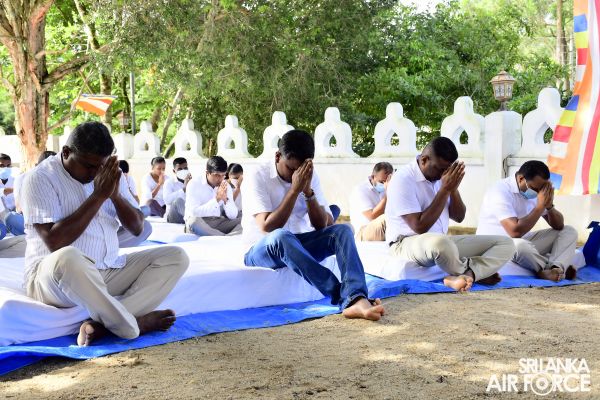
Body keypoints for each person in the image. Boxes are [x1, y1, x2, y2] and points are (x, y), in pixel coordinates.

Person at [21, 122, 189, 346]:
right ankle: (133, 326)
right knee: (68, 256)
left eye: (100, 166)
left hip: (106, 269)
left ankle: (103, 325)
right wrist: (98, 196)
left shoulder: (108, 174)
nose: (95, 173)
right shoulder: (41, 178)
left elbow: (138, 228)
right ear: (66, 152)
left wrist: (115, 194)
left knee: (175, 256)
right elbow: (55, 242)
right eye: (89, 166)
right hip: (52, 278)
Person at [242, 129, 385, 320]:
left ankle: (356, 296)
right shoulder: (257, 175)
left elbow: (322, 225)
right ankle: (346, 297)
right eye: (291, 169)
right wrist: (294, 191)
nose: (296, 175)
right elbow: (267, 226)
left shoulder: (309, 175)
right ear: (278, 156)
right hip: (262, 249)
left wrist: (308, 192)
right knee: (281, 236)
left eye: (301, 170)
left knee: (342, 230)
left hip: (298, 244)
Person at [386, 137, 515, 292]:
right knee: (440, 244)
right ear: (424, 160)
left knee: (506, 244)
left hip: (443, 244)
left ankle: (470, 274)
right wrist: (445, 189)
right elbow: (419, 226)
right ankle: (474, 272)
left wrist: (453, 189)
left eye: (447, 170)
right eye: (440, 169)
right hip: (406, 243)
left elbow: (459, 217)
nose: (443, 174)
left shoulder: (443, 179)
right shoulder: (403, 179)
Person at [477, 160, 578, 281]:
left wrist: (549, 206)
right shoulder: (499, 191)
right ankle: (549, 269)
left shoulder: (537, 191)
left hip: (523, 242)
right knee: (519, 245)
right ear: (521, 179)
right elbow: (514, 232)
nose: (538, 193)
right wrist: (540, 207)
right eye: (535, 189)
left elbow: (559, 226)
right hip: (496, 245)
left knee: (568, 231)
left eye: (541, 190)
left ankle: (555, 268)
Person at [185, 156, 241, 236]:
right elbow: (194, 213)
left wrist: (226, 200)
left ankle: (222, 236)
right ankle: (225, 237)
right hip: (200, 222)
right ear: (207, 173)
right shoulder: (194, 184)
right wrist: (217, 199)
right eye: (217, 175)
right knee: (193, 222)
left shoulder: (225, 185)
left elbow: (233, 216)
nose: (220, 179)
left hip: (218, 222)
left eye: (223, 175)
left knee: (245, 219)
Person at [350, 162, 393, 241]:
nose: (384, 185)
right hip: (363, 232)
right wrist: (388, 194)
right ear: (373, 177)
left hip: (381, 228)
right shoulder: (360, 190)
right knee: (387, 219)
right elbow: (372, 216)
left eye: (387, 182)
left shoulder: (389, 187)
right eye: (382, 182)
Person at [0, 153, 25, 235]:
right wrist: (18, 188)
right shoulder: (17, 184)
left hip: (16, 214)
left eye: (8, 166)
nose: (5, 168)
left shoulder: (15, 180)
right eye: (2, 166)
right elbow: (4, 191)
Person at [163, 157, 191, 224]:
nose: (183, 171)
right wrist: (184, 189)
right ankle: (192, 220)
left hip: (186, 216)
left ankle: (194, 220)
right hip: (173, 216)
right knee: (178, 201)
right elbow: (167, 200)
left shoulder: (192, 182)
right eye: (180, 169)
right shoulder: (169, 182)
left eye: (185, 168)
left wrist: (191, 185)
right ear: (174, 171)